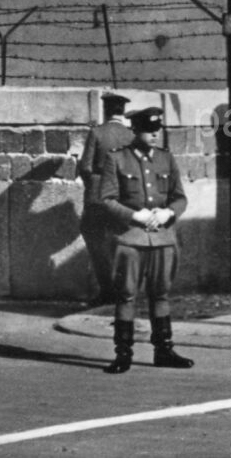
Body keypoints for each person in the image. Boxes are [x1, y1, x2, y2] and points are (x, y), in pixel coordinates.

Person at [98, 106, 192, 373]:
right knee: (126, 296)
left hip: (162, 238)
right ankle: (123, 354)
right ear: (134, 131)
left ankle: (164, 350)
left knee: (161, 294)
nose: (153, 134)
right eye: (147, 130)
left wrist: (168, 213)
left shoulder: (166, 159)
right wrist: (135, 216)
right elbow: (106, 200)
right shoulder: (116, 159)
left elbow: (179, 197)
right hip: (130, 239)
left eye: (156, 129)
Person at [77, 92, 134, 305]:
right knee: (120, 243)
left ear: (106, 110)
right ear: (123, 111)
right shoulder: (130, 135)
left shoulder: (97, 133)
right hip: (122, 197)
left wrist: (92, 186)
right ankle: (123, 290)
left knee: (94, 240)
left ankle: (107, 291)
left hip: (98, 196)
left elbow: (85, 167)